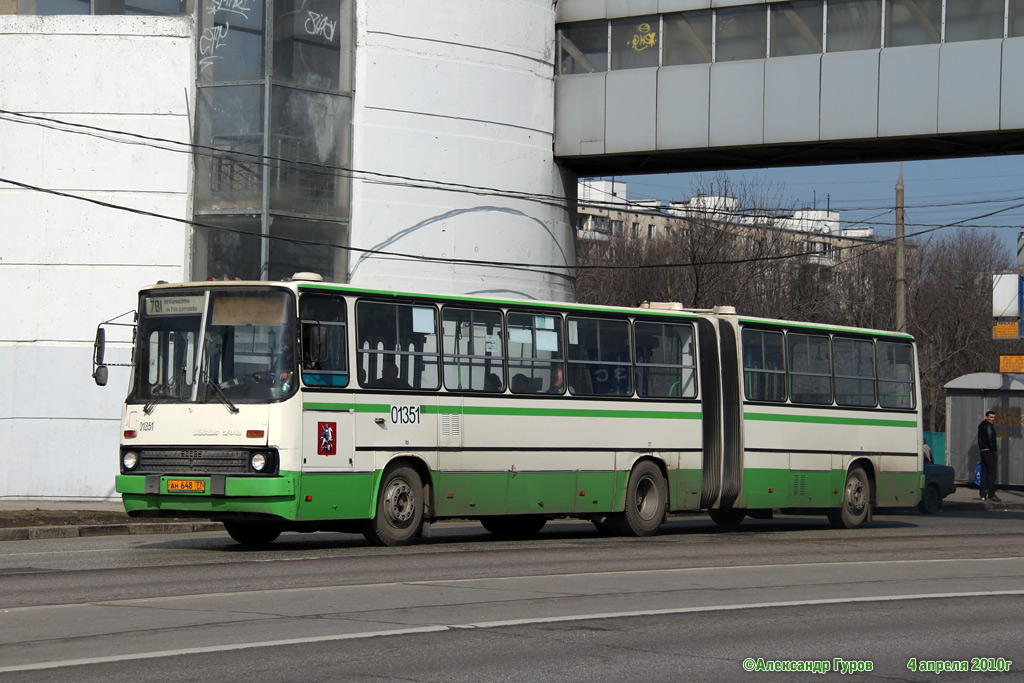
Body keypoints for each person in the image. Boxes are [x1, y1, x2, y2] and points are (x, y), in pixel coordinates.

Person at [977, 409, 1001, 502]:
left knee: (984, 472)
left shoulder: (981, 425)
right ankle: (991, 493)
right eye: (991, 417)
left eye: (994, 417)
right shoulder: (988, 426)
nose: (993, 419)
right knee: (991, 473)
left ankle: (982, 494)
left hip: (982, 450)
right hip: (989, 451)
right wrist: (994, 450)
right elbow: (991, 439)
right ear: (986, 417)